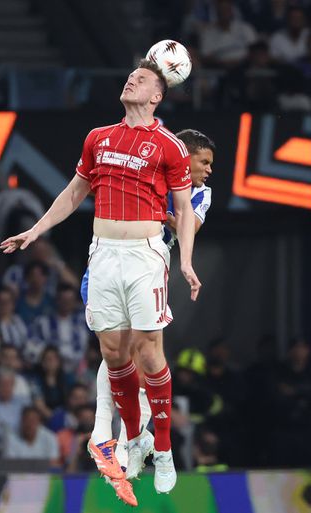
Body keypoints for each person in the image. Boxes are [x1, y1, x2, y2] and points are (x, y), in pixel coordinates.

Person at [0, 59, 201, 499]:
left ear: (157, 96)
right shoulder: (98, 137)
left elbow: (185, 209)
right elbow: (75, 191)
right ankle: (135, 437)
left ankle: (163, 448)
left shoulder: (170, 146)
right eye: (131, 76)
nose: (131, 80)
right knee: (113, 355)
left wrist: (185, 261)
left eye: (142, 79)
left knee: (149, 350)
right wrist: (36, 230)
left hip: (145, 254)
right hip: (103, 253)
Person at [81, 128, 215, 502]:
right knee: (118, 351)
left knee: (143, 358)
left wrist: (157, 209)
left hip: (150, 269)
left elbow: (189, 225)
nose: (208, 170)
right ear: (184, 156)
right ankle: (108, 435)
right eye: (204, 162)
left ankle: (129, 441)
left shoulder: (200, 192)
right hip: (111, 264)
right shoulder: (150, 170)